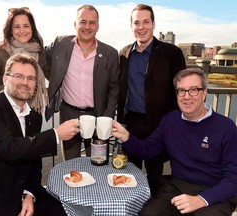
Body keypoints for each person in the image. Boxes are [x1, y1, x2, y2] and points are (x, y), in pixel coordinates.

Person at [0, 54, 79, 216]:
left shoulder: (34, 116)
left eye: (30, 78)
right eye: (18, 76)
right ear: (5, 79)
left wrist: (29, 194)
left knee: (64, 211)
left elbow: (34, 162)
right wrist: (56, 134)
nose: (25, 82)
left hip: (20, 190)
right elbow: (9, 148)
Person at [112, 68, 237, 216]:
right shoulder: (170, 121)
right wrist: (125, 136)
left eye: (193, 90)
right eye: (181, 91)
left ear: (204, 93)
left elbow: (234, 178)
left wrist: (201, 199)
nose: (186, 96)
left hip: (214, 191)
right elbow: (146, 150)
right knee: (149, 213)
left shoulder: (226, 127)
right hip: (177, 186)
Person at [117, 3, 186, 195]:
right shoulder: (123, 54)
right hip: (131, 122)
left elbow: (182, 89)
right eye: (136, 23)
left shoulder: (171, 53)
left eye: (146, 22)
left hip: (159, 123)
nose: (141, 27)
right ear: (131, 26)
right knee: (130, 174)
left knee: (155, 175)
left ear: (153, 24)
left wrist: (177, 122)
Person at [45, 5, 119, 160]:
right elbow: (40, 56)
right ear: (75, 24)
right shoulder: (60, 43)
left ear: (98, 26)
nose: (87, 27)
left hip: (98, 116)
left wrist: (106, 119)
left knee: (99, 162)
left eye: (92, 23)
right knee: (71, 164)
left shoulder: (110, 53)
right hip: (69, 114)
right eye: (83, 21)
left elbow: (114, 89)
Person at [0, 7, 48, 113]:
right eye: (16, 27)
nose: (22, 31)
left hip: (33, 111)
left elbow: (53, 75)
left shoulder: (40, 52)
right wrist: (14, 88)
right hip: (6, 111)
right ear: (10, 30)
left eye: (26, 26)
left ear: (32, 28)